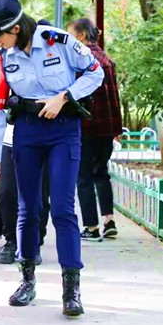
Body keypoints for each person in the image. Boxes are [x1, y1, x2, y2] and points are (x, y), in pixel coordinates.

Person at [0, 0, 103, 317]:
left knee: (62, 209)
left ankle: (71, 289)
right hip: (27, 132)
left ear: (16, 28)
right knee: (28, 208)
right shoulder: (3, 60)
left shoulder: (59, 41)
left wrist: (65, 96)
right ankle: (27, 279)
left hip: (63, 130)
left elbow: (95, 72)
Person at [0, 50, 49, 262]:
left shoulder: (43, 61)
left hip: (42, 137)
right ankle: (11, 240)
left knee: (39, 194)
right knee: (6, 192)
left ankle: (33, 243)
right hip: (6, 137)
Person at [68, 18, 123, 242]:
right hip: (107, 128)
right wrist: (117, 128)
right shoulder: (106, 59)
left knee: (83, 177)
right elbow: (115, 97)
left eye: (70, 34)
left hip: (86, 127)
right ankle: (109, 220)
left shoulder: (80, 60)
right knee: (101, 173)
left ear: (81, 35)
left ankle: (91, 227)